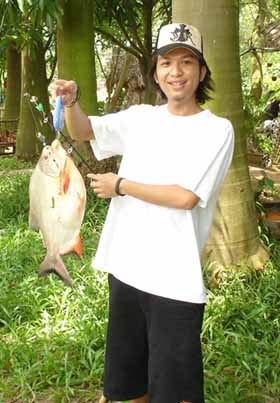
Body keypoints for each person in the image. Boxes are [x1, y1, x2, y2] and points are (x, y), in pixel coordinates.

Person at [52, 22, 234, 403]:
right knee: (129, 384)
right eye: (167, 62)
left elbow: (186, 197)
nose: (176, 72)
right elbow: (84, 130)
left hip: (175, 281)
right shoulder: (140, 117)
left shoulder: (217, 129)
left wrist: (121, 185)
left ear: (202, 73)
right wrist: (71, 102)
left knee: (175, 389)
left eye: (187, 62)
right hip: (127, 269)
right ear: (155, 72)